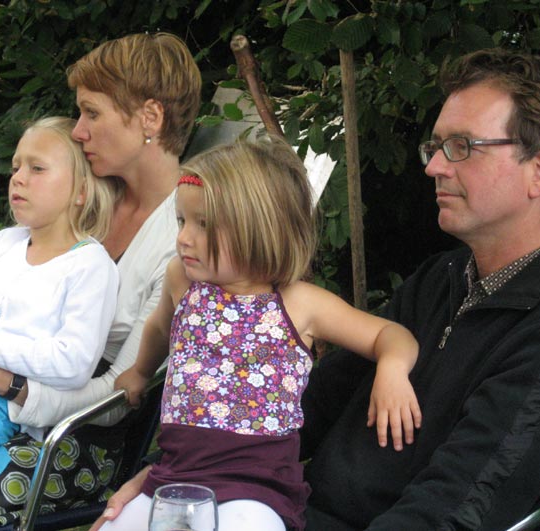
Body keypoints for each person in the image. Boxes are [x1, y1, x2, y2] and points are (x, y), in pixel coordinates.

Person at [298, 48, 540, 530]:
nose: (434, 167)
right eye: (436, 146)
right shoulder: (442, 277)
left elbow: (453, 511)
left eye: (463, 146)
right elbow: (314, 402)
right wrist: (211, 455)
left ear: (539, 172)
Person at [0, 32, 201, 527]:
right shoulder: (79, 195)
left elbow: (116, 399)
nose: (78, 131)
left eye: (91, 113)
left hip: (73, 436)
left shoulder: (182, 240)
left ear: (150, 118)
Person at [95, 135, 421, 531]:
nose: (183, 237)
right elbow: (161, 327)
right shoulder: (183, 280)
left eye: (204, 224)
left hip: (256, 492)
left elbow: (390, 334)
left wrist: (392, 369)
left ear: (259, 229)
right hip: (174, 477)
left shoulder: (300, 303)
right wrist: (140, 371)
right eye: (182, 221)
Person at [0, 116, 119, 495]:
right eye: (16, 167)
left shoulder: (90, 266)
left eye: (37, 168)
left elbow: (73, 363)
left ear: (81, 192)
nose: (18, 178)